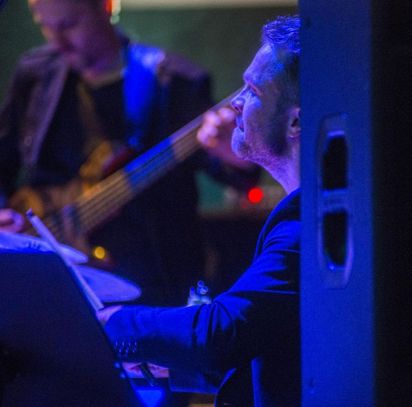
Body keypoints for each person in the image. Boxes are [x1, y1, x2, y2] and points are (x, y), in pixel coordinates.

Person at [0, 0, 258, 307]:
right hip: (54, 281)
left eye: (69, 25)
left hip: (153, 282)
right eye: (45, 26)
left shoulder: (175, 81)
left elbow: (235, 171)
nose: (58, 41)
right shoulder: (35, 75)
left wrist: (236, 153)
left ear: (105, 6)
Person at [101, 15, 301, 406]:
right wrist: (165, 365)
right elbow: (271, 350)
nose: (235, 104)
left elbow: (223, 331)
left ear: (295, 122)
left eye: (252, 90)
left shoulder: (306, 223)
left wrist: (111, 323)